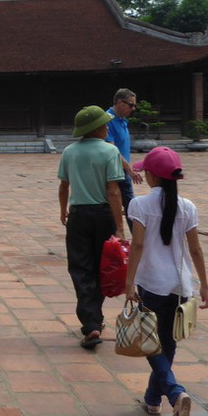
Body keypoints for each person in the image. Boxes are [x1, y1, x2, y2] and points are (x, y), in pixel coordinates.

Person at [125, 146, 208, 416]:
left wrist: (128, 282)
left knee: (152, 344)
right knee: (168, 342)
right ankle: (152, 400)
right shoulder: (188, 207)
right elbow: (196, 250)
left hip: (152, 284)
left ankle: (175, 394)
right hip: (180, 287)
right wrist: (205, 287)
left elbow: (136, 246)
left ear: (151, 176)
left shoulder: (140, 205)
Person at [57, 105, 125, 349]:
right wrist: (120, 226)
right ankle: (94, 320)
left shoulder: (69, 152)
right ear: (97, 128)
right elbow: (114, 190)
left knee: (80, 267)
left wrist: (63, 210)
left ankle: (92, 322)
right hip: (103, 214)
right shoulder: (110, 151)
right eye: (105, 124)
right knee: (103, 266)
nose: (107, 127)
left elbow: (64, 186)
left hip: (79, 215)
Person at [106, 89, 144, 219]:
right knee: (127, 208)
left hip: (124, 171)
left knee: (130, 207)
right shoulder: (107, 120)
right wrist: (130, 170)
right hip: (114, 171)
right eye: (131, 105)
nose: (133, 108)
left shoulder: (122, 120)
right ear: (119, 102)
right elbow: (112, 150)